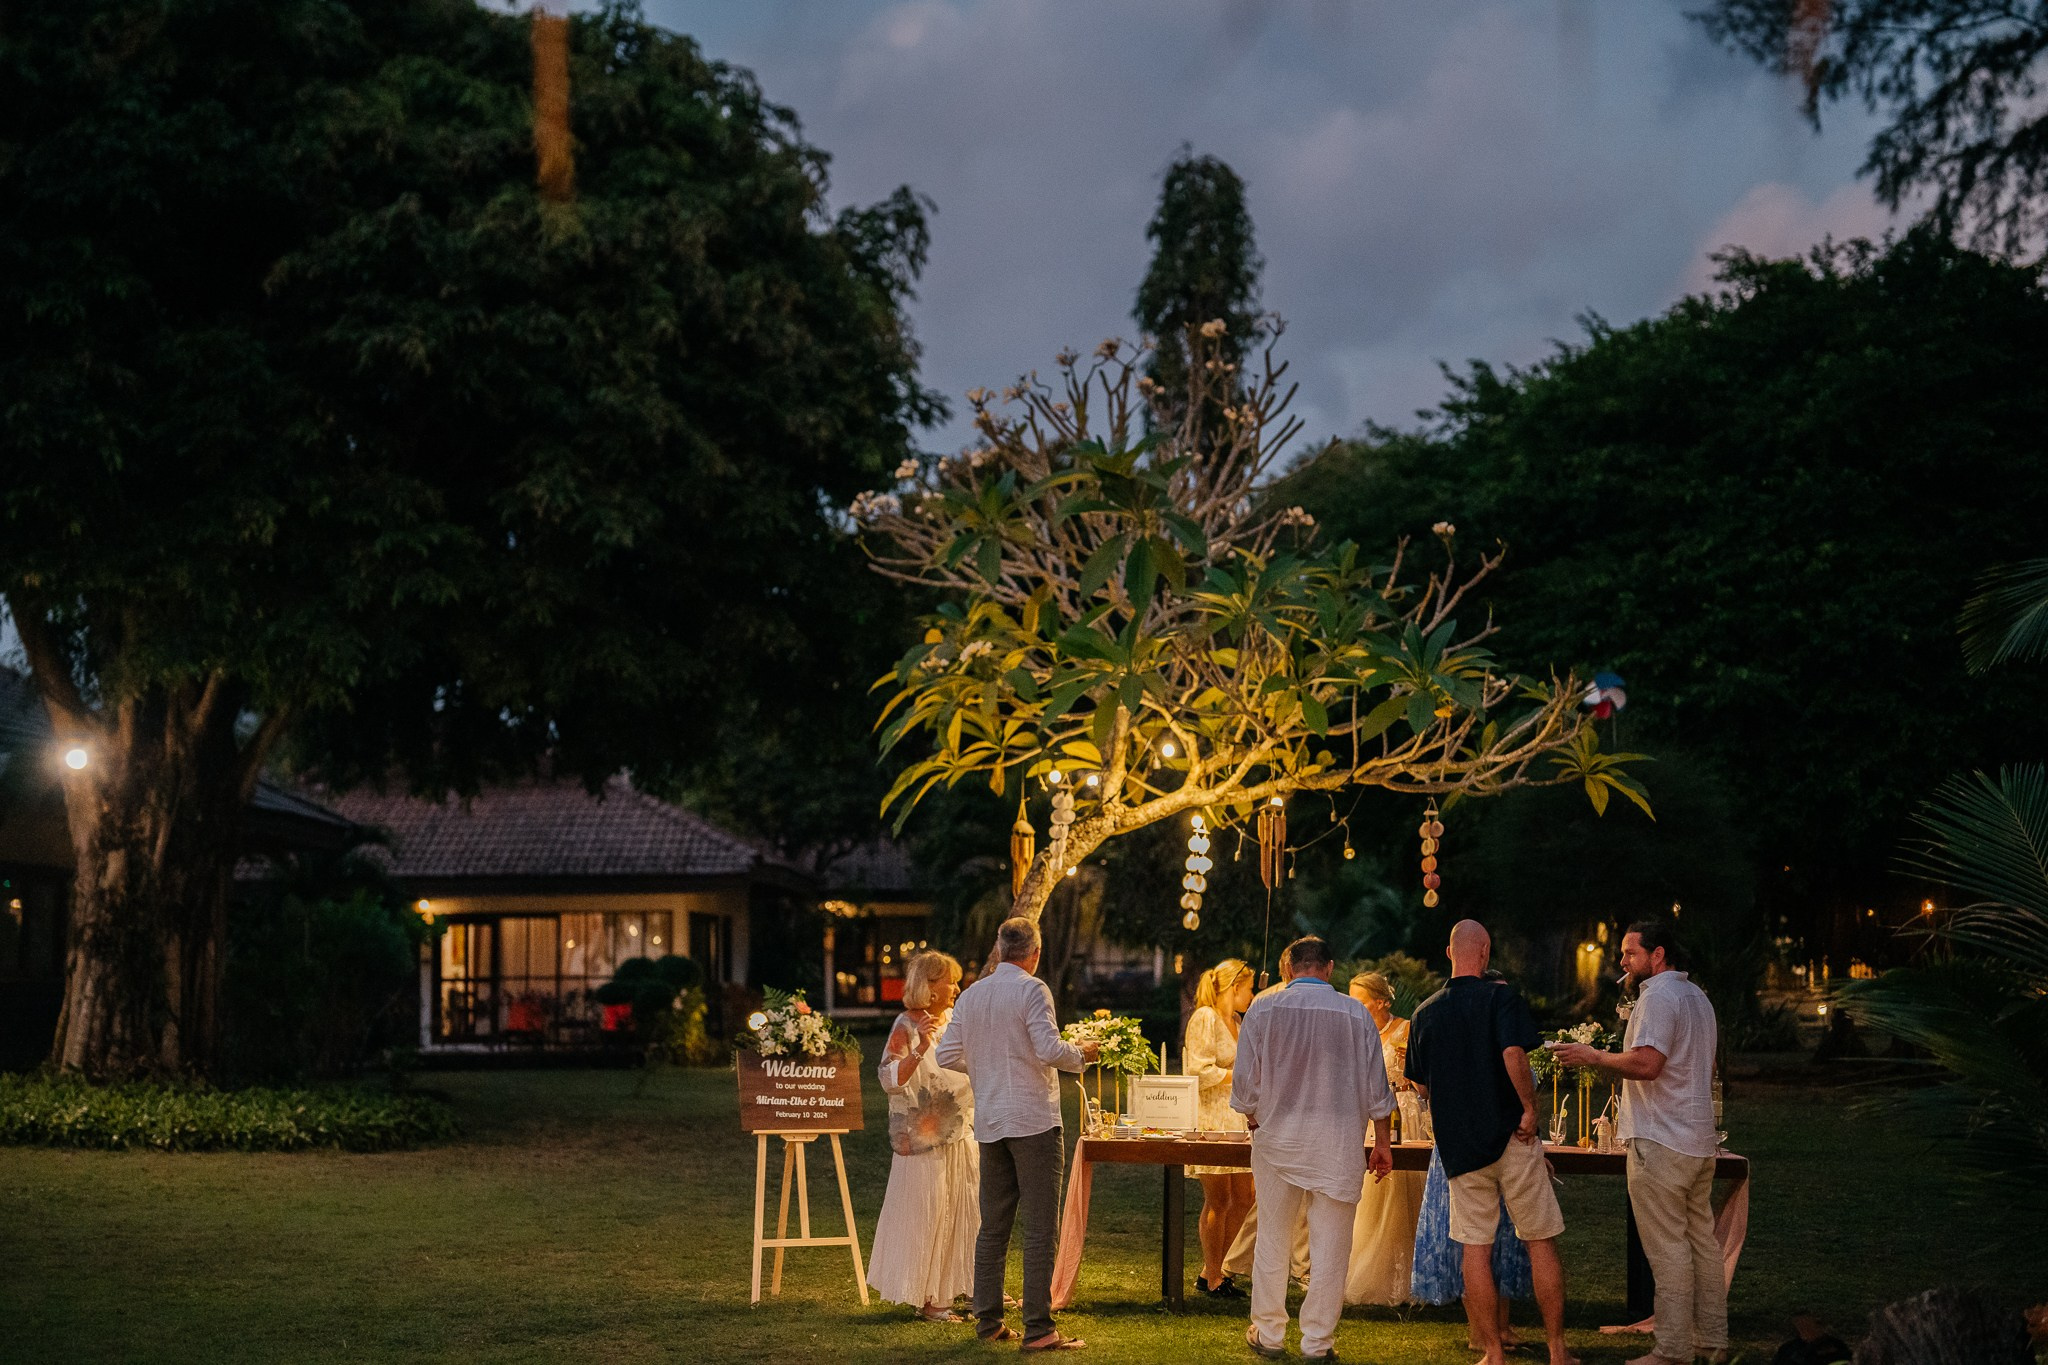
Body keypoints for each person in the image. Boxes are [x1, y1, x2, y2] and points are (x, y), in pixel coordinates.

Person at [1554, 919, 1729, 1365]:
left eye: (1631, 953)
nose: (1623, 961)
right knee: (1701, 1244)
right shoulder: (1698, 998)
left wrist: (1594, 1056)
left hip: (1661, 1139)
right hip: (1697, 1140)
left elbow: (1648, 1064)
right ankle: (1711, 1340)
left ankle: (1671, 1350)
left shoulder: (1658, 997)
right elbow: (1705, 1069)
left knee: (1668, 1248)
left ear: (1658, 955)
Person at [1407, 920, 1577, 1365]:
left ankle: (1492, 1353)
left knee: (1474, 1249)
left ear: (1450, 953)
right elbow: (1513, 1053)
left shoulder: (1424, 1013)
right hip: (1512, 1136)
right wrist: (1529, 1109)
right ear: (1484, 952)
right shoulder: (1502, 997)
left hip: (1460, 1149)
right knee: (1540, 1240)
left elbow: (1421, 1089)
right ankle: (1558, 1350)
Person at [937, 916, 1098, 1352]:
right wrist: (1081, 1054)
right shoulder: (1032, 989)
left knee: (993, 1226)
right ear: (1036, 953)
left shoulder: (972, 995)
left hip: (990, 1122)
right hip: (1033, 1121)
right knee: (1040, 1228)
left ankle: (988, 1321)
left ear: (999, 949)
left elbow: (946, 1053)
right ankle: (1039, 1329)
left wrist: (988, 1067)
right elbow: (1048, 1049)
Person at [1231, 936, 1394, 1362]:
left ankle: (1268, 1333)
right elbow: (1378, 1088)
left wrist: (1254, 1120)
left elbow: (1244, 1088)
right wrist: (1382, 1142)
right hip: (1337, 1142)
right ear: (1329, 967)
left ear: (1287, 970)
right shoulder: (1356, 1014)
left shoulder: (1263, 1009)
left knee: (1272, 1237)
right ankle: (1318, 1342)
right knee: (1332, 1247)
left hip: (1276, 1140)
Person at [867, 951, 979, 1322]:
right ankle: (930, 1299)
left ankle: (966, 1287)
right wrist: (920, 1049)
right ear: (929, 986)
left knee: (963, 1212)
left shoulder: (954, 1020)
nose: (957, 987)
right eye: (950, 980)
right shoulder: (907, 1024)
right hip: (923, 1138)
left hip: (960, 1130)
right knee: (931, 1214)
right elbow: (888, 1078)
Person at [1342, 971, 1425, 1306]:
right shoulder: (1354, 1031)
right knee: (1370, 1195)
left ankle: (1410, 1279)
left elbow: (1423, 1081)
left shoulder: (1406, 1029)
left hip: (1403, 1109)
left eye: (1358, 1000)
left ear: (1380, 1001)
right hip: (1366, 1115)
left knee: (1405, 1190)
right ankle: (1368, 1273)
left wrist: (1410, 1069)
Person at [1183, 957, 1255, 1298]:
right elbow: (1198, 1071)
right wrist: (1237, 1076)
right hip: (1212, 1116)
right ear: (1234, 987)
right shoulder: (1205, 1018)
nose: (1252, 995)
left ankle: (1212, 1269)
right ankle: (1214, 1276)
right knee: (1219, 1198)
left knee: (1246, 1196)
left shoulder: (1238, 1023)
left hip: (1238, 1117)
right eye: (1250, 988)